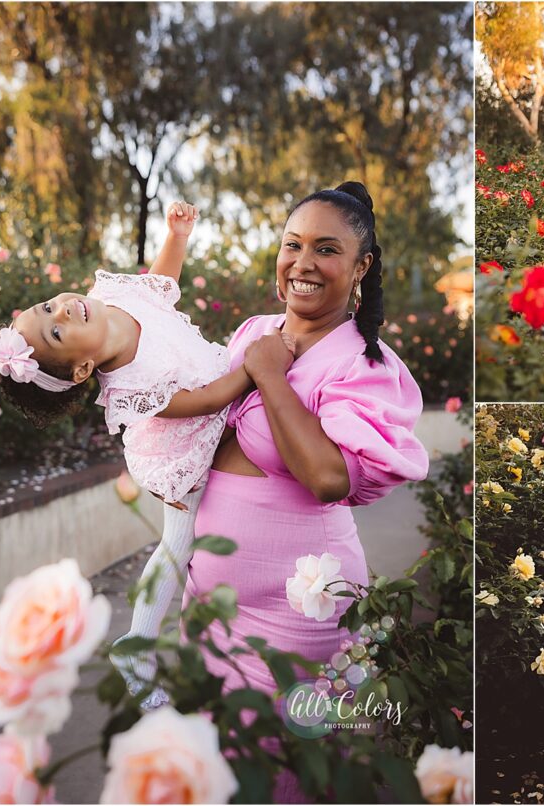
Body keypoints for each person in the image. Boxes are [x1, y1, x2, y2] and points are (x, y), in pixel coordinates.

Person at [184, 182, 429, 801]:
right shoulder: (254, 332)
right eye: (293, 245)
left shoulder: (362, 364)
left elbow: (326, 478)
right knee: (216, 767)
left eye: (326, 249)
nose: (304, 263)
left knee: (286, 772)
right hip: (207, 605)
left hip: (297, 611)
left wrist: (269, 375)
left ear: (361, 266)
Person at [0, 202, 265, 711]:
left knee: (188, 541)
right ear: (81, 369)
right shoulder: (130, 387)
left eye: (48, 307)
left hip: (220, 396)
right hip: (184, 444)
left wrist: (177, 238)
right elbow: (203, 402)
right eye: (55, 332)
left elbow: (159, 289)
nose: (62, 310)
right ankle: (136, 650)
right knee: (178, 543)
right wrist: (257, 370)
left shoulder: (110, 294)